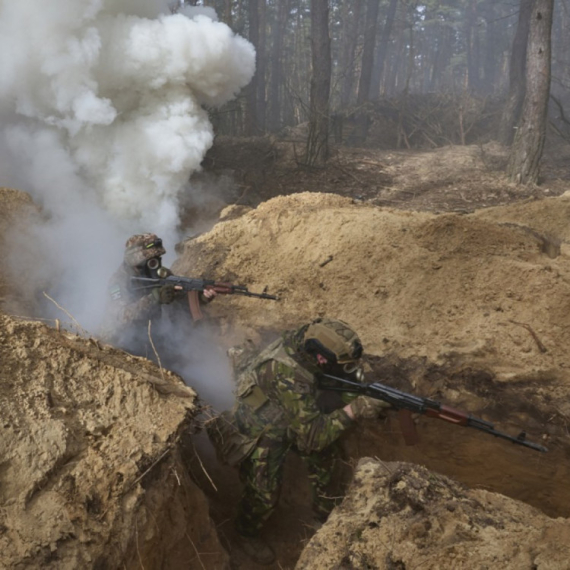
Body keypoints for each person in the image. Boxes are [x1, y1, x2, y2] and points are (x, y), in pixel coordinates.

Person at [211, 317, 390, 565]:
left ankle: (324, 516)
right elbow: (314, 437)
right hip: (262, 431)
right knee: (263, 494)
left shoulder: (305, 339)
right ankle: (245, 532)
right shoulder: (286, 375)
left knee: (326, 457)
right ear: (320, 358)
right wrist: (354, 409)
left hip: (292, 416)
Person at [101, 233, 215, 362]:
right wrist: (153, 299)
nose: (157, 263)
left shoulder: (160, 274)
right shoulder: (118, 282)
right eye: (152, 260)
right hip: (125, 344)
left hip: (156, 337)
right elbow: (121, 317)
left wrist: (201, 298)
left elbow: (180, 304)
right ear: (137, 260)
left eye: (158, 258)